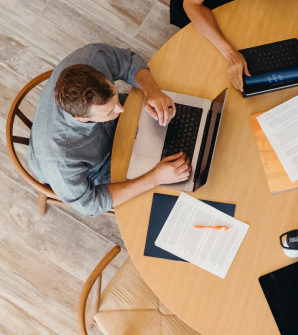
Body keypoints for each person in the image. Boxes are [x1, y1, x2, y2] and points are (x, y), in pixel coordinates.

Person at [27, 44, 191, 217]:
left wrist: (152, 90)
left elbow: (128, 62)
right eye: (110, 111)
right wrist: (155, 178)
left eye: (114, 94)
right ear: (81, 118)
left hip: (113, 133)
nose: (121, 110)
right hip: (96, 168)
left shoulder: (91, 58)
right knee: (171, 197)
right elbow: (90, 204)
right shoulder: (59, 160)